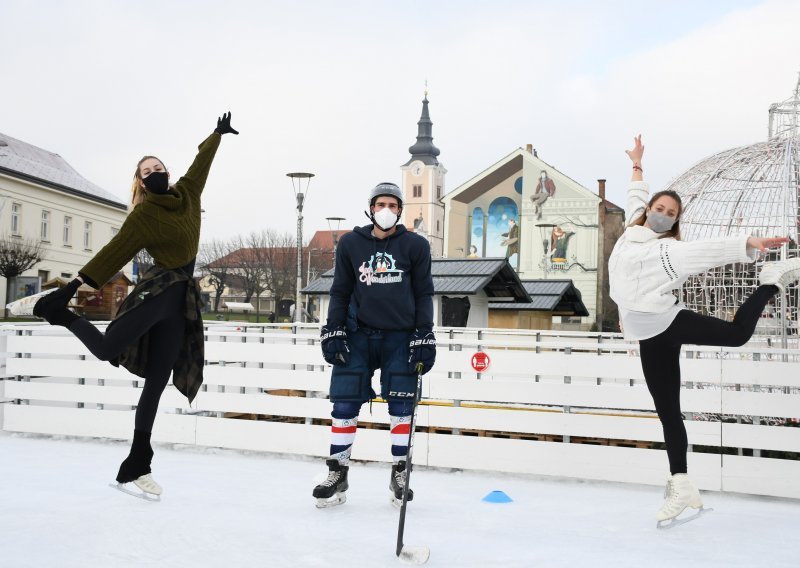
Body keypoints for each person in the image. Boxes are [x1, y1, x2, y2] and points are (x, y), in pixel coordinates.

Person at [33, 112, 239, 498]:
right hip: (157, 290)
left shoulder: (188, 194)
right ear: (141, 182)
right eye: (147, 171)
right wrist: (71, 287)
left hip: (182, 301)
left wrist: (216, 135)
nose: (155, 172)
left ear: (168, 172)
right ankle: (62, 315)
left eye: (159, 167)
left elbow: (201, 164)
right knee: (108, 348)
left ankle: (137, 464)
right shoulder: (145, 214)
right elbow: (116, 250)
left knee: (157, 383)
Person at [608, 134, 800, 525]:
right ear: (648, 212)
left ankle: (771, 280)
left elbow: (706, 250)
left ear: (675, 222)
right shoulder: (631, 230)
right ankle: (682, 484)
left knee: (737, 335)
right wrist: (637, 164)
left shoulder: (668, 251)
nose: (663, 214)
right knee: (668, 412)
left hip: (668, 322)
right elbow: (634, 196)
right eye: (659, 208)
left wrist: (748, 242)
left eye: (671, 213)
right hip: (646, 334)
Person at [314, 182, 436, 508]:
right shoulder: (351, 243)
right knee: (344, 402)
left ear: (400, 210)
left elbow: (424, 292)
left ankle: (399, 471)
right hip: (357, 333)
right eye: (381, 203)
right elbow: (340, 290)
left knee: (400, 405)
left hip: (401, 335)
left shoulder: (416, 246)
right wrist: (333, 328)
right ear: (370, 208)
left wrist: (424, 333)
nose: (387, 210)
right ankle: (337, 471)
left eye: (393, 205)